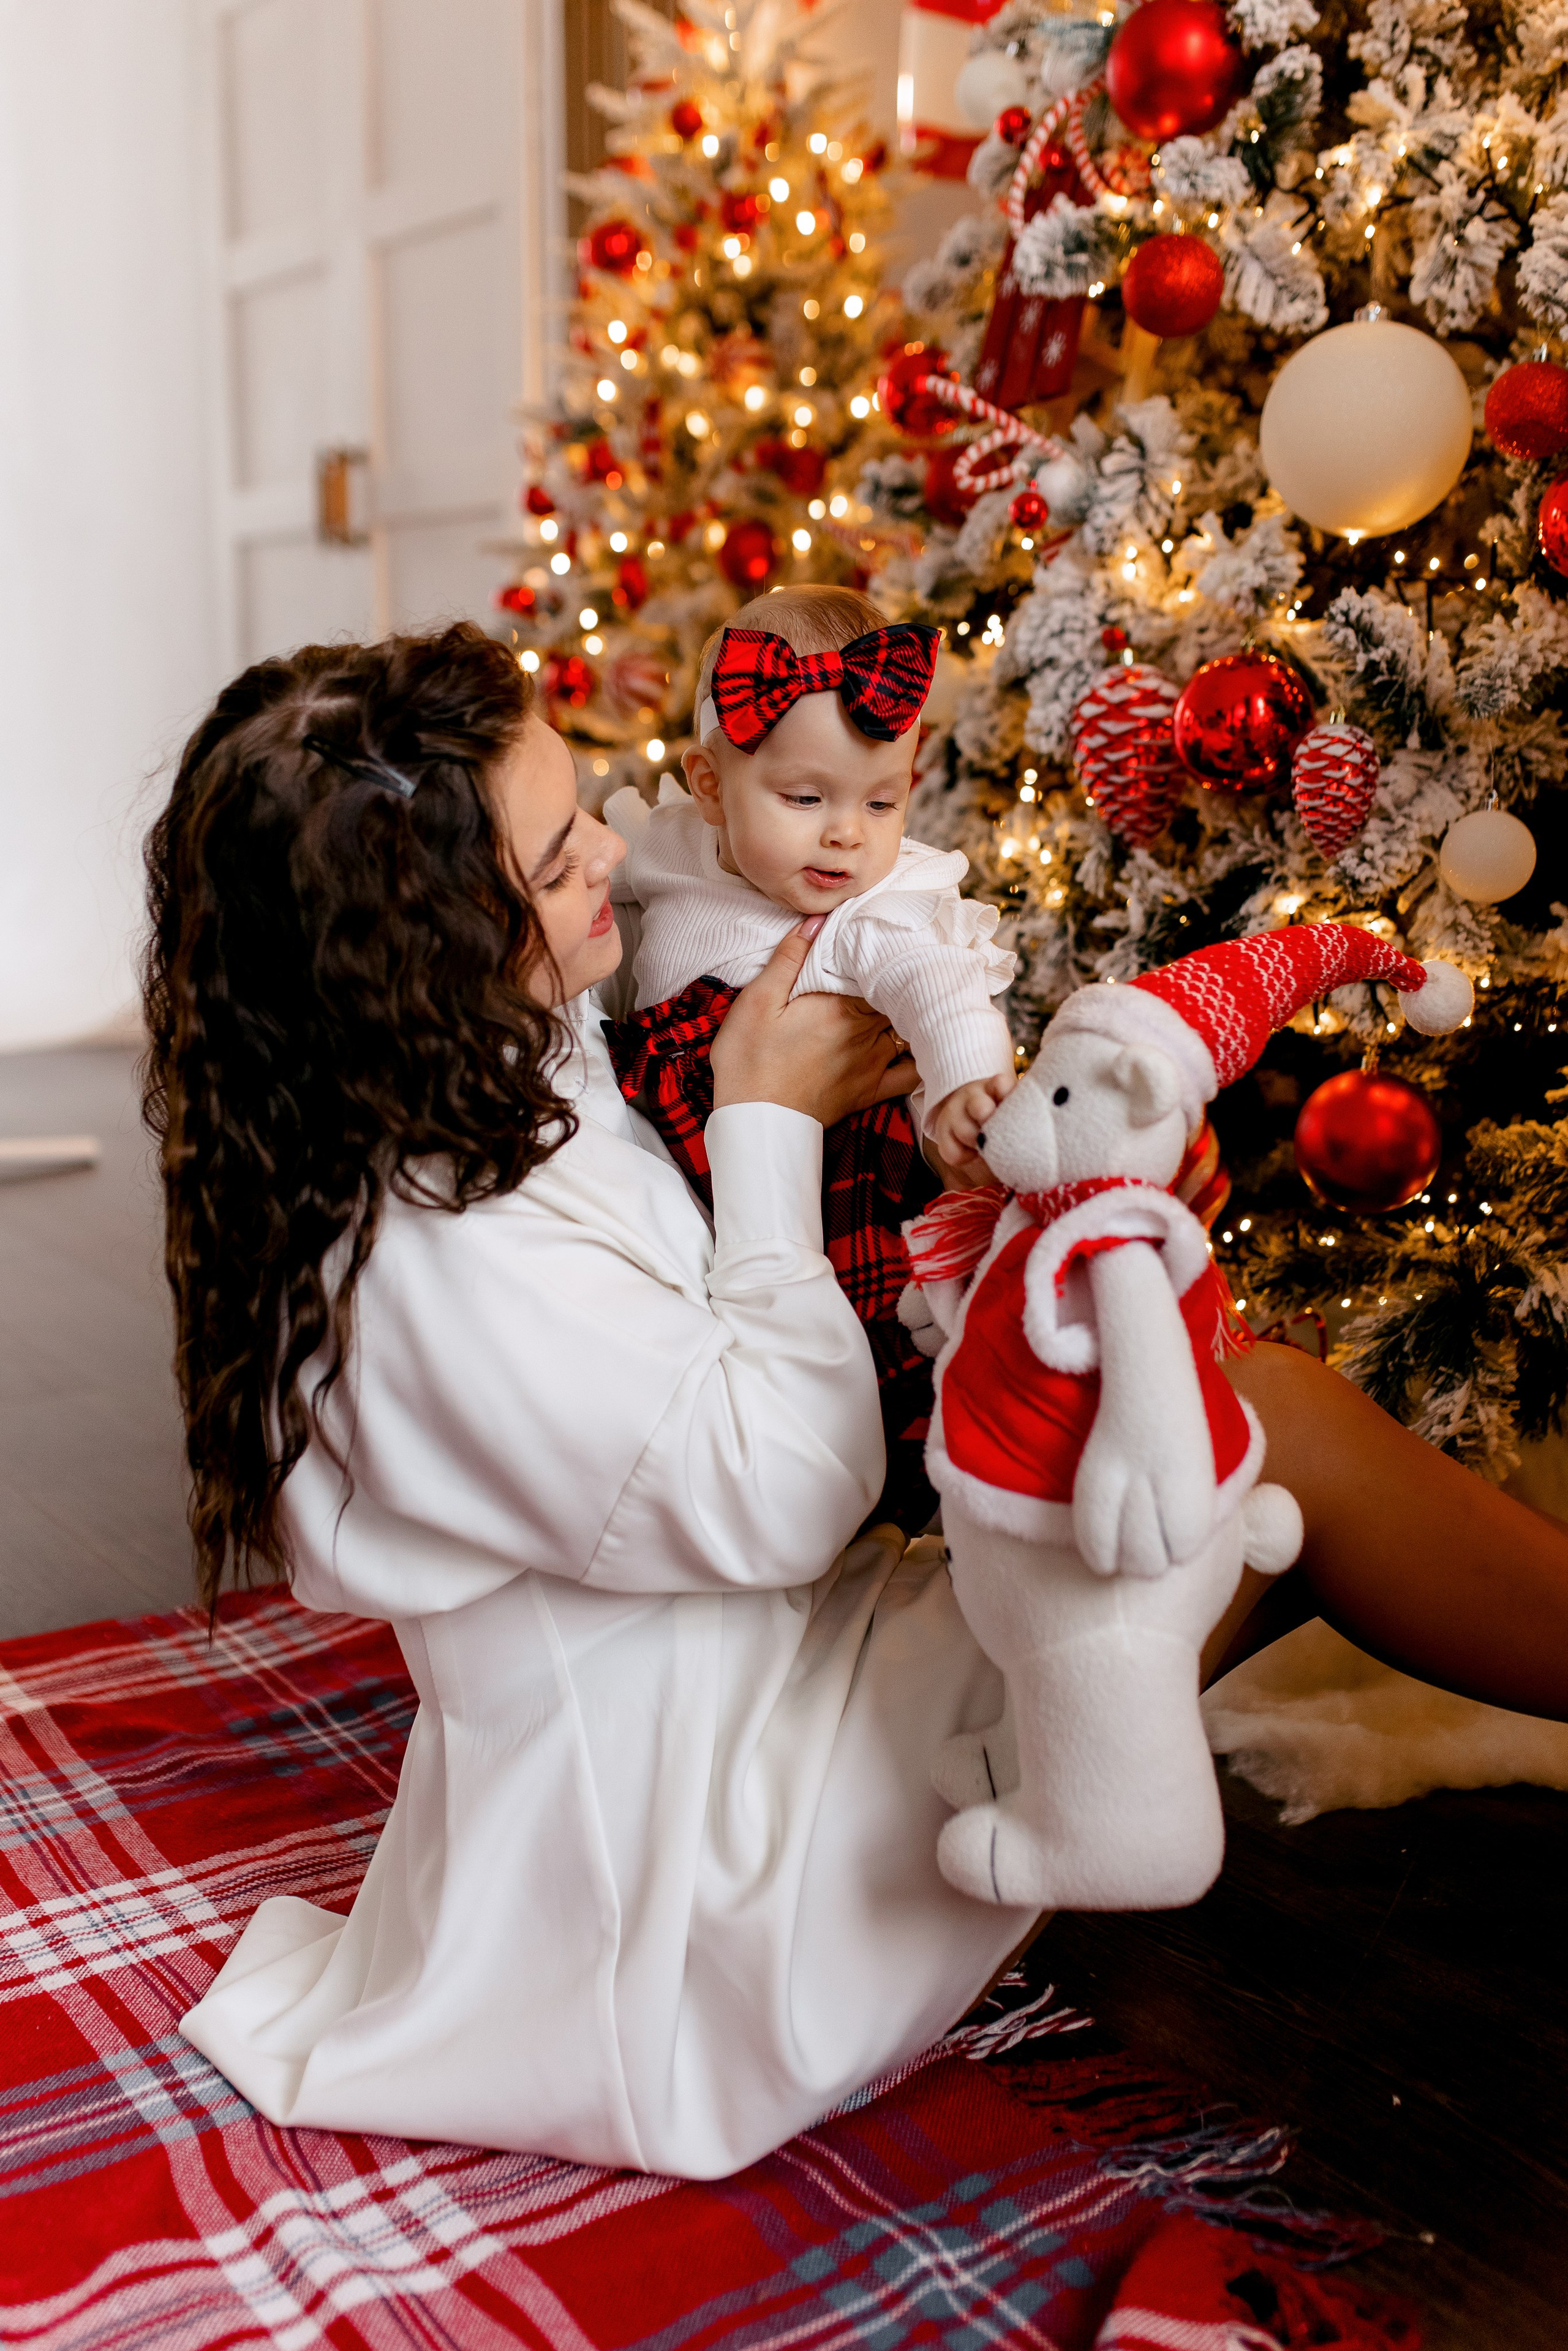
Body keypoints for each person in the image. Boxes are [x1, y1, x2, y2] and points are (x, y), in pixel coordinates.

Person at [148, 622, 1568, 2181]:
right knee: (1265, 1431)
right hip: (706, 1885)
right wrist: (769, 1121)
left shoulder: (460, 1067)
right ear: (414, 952)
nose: (616, 857)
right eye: (559, 864)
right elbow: (788, 1493)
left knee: (1198, 1408)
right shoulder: (437, 1263)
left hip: (745, 1687)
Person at [601, 584, 1018, 1531]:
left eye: (883, 800)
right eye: (806, 797)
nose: (848, 833)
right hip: (682, 1171)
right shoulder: (668, 848)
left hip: (836, 1182)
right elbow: (596, 878)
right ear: (708, 785)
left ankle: (910, 1520)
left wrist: (969, 1082)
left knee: (872, 1355)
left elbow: (937, 981)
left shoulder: (868, 909)